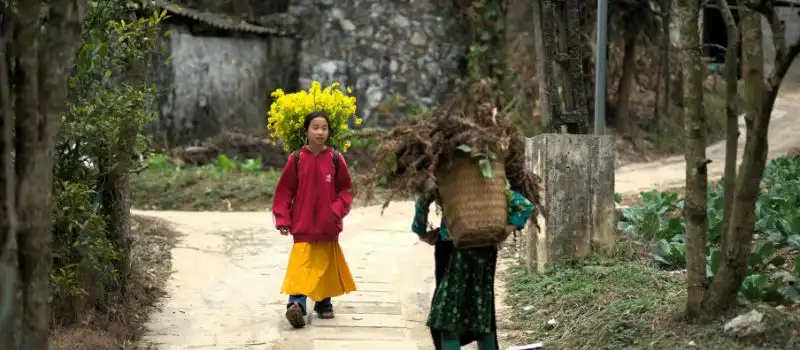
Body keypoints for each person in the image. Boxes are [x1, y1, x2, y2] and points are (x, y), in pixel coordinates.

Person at [412, 188, 534, 350]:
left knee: (447, 313)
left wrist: (421, 232)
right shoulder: (491, 183)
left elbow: (422, 201)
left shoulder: (445, 180)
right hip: (484, 249)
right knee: (483, 308)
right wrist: (503, 231)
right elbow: (525, 206)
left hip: (451, 247)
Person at [272, 111, 357, 328]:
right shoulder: (297, 158)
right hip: (302, 223)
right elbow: (284, 190)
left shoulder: (336, 159)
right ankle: (297, 304)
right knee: (301, 263)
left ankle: (323, 302)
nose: (320, 132)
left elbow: (346, 190)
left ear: (329, 132)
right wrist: (283, 218)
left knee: (324, 263)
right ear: (306, 131)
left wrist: (336, 211)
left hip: (328, 225)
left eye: (324, 128)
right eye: (315, 127)